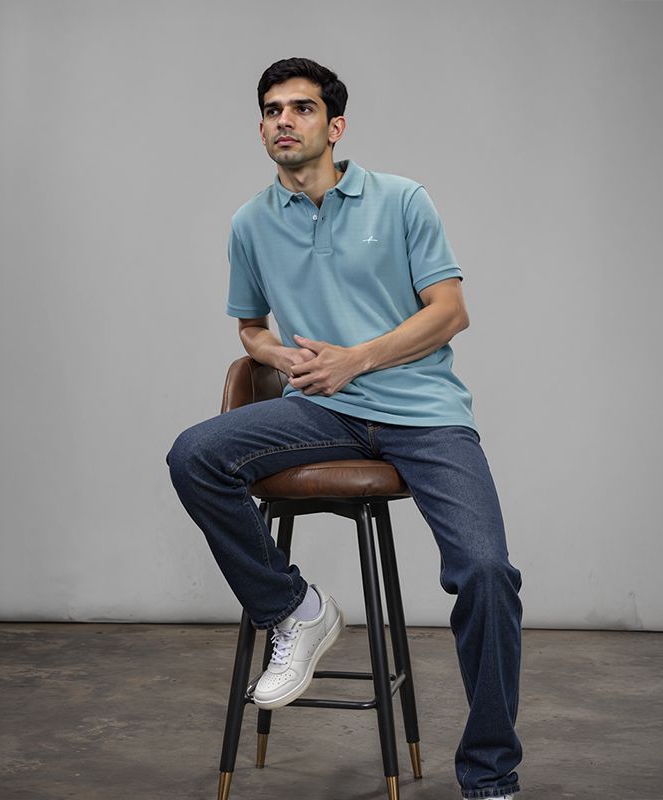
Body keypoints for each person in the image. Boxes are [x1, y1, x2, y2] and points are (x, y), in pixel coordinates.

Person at [167, 57, 523, 800]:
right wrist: (285, 357)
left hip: (424, 414)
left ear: (335, 126)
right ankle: (294, 609)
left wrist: (355, 360)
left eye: (301, 108)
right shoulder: (250, 222)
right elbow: (250, 328)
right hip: (321, 412)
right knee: (194, 455)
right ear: (261, 128)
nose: (284, 121)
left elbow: (450, 312)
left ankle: (491, 773)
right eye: (272, 110)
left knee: (488, 574)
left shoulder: (401, 200)